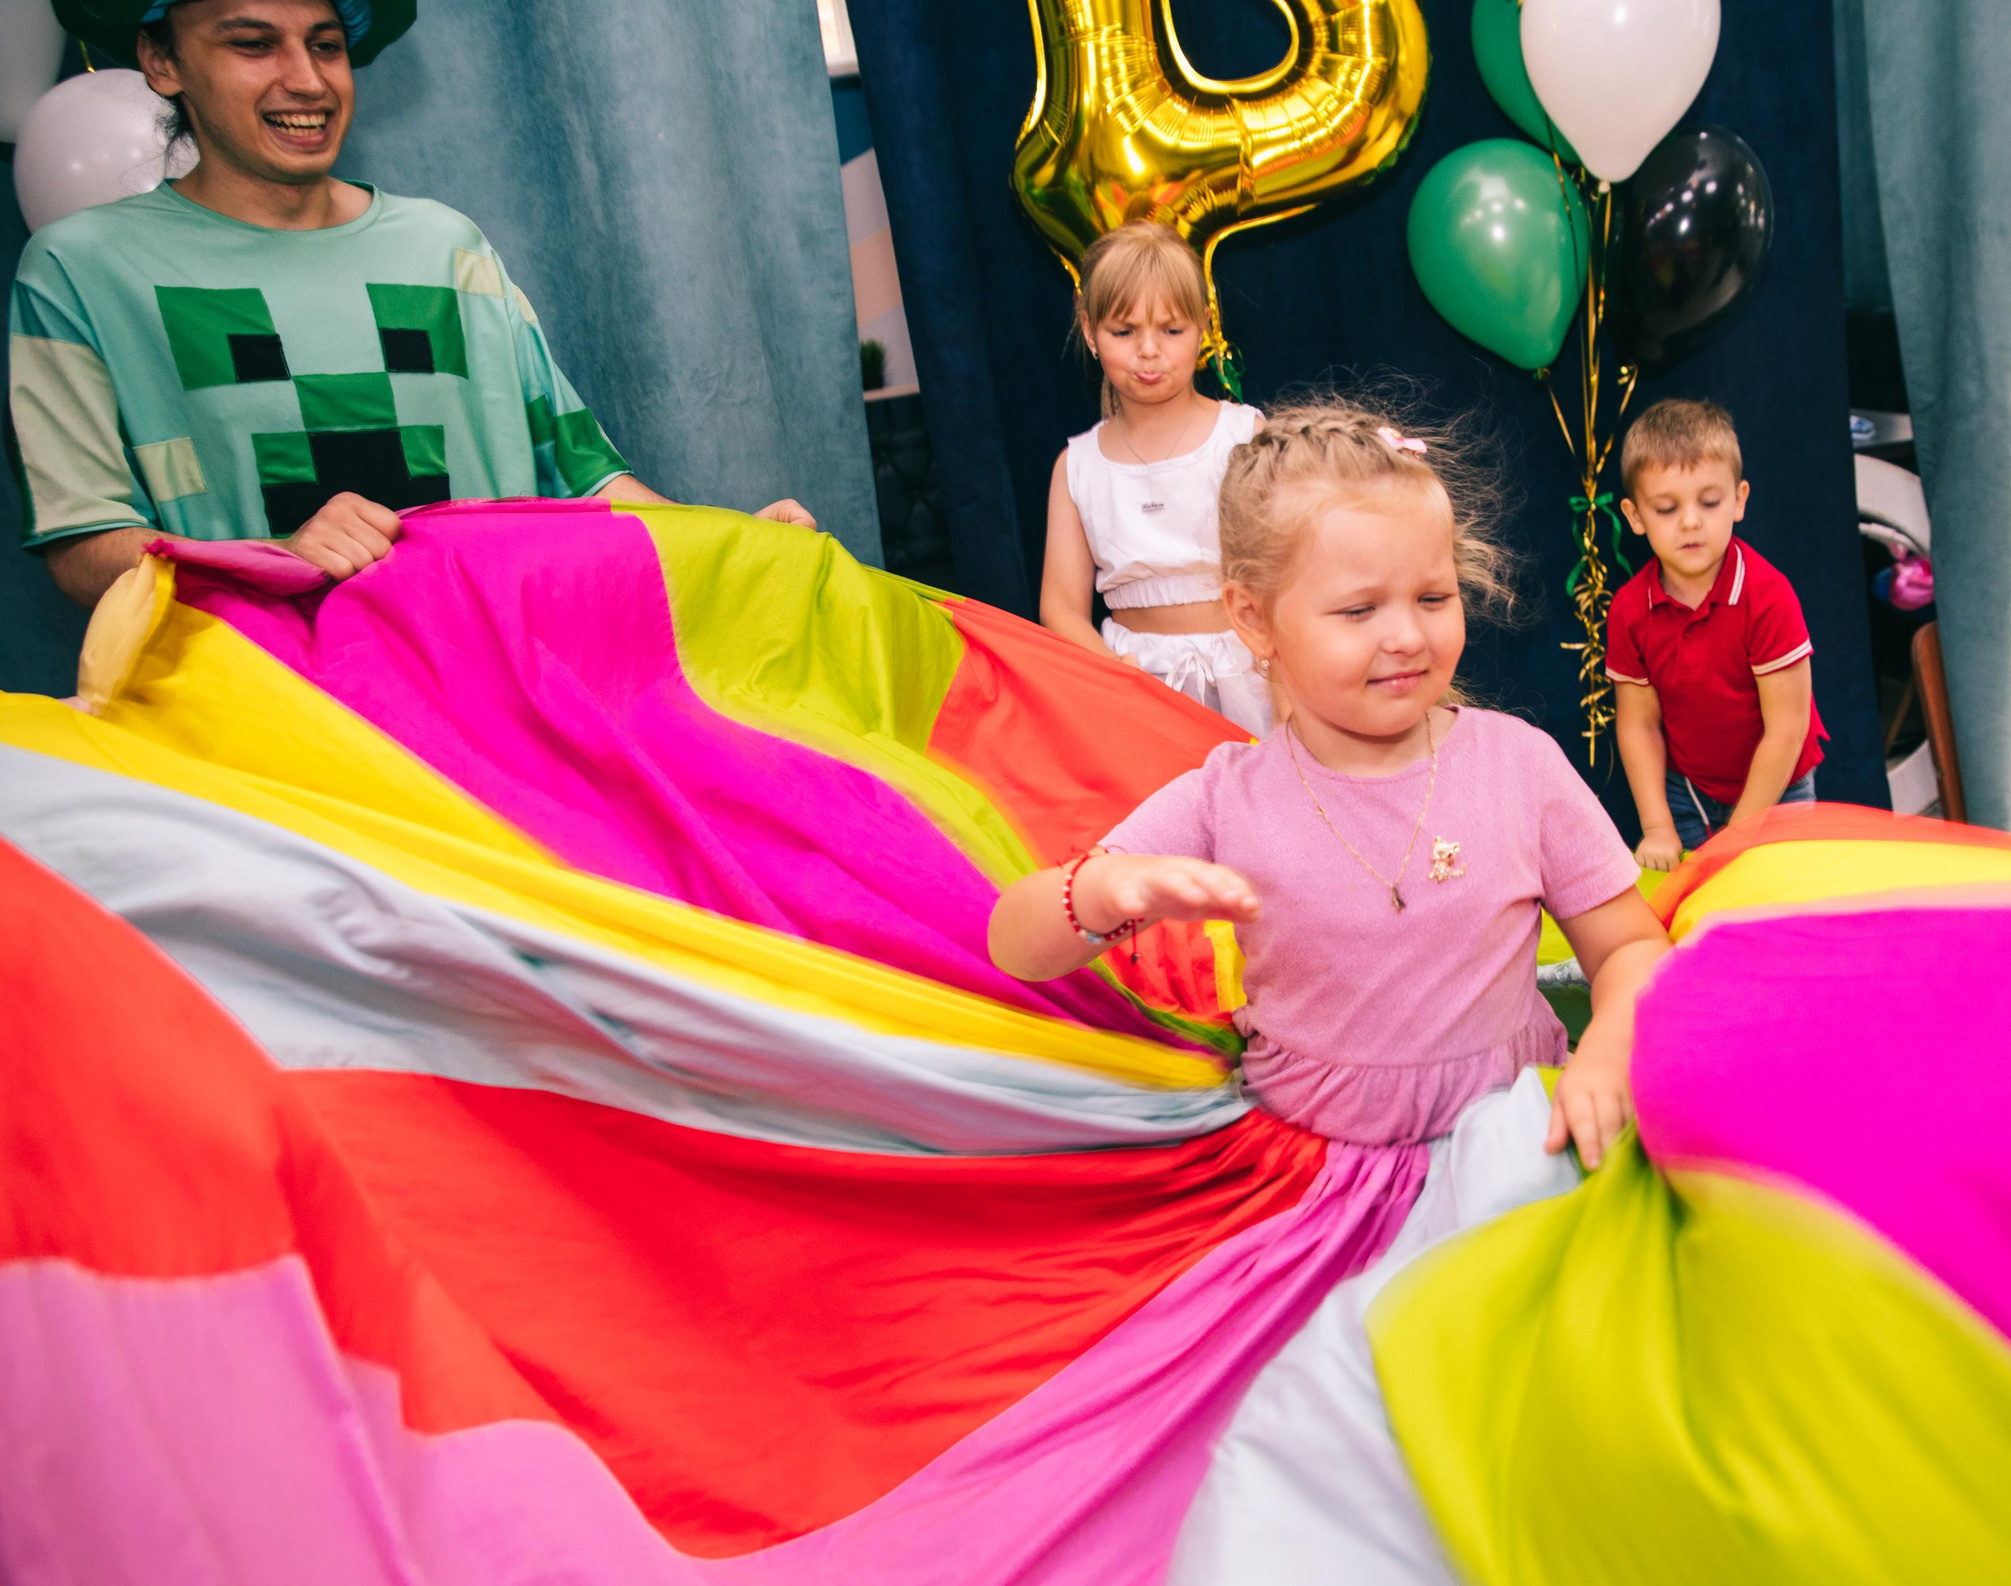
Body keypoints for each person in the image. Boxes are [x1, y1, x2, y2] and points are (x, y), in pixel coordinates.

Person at [992, 402, 1670, 1163]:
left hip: (1518, 1149)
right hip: (1308, 1170)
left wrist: (1609, 1051)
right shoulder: (1227, 798)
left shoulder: (1521, 766)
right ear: (1254, 620)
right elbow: (1013, 944)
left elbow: (1631, 949)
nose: (1408, 635)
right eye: (1358, 610)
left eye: (1433, 598)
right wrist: (1098, 893)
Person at [13, 0, 814, 608]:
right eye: (252, 43)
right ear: (161, 59)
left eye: (326, 44)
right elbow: (82, 543)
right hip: (262, 718)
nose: (307, 79)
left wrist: (737, 544)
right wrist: (273, 556)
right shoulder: (80, 269)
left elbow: (590, 482)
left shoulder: (447, 246)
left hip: (497, 688)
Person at [1039, 221, 1270, 734]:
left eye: (1171, 330)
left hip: (1251, 677)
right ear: (1089, 330)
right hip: (1135, 691)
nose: (1149, 351)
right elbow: (1060, 605)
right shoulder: (1076, 466)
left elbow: (1287, 569)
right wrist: (1113, 671)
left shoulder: (1243, 436)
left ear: (1205, 326)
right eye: (1124, 332)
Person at [1606, 398, 1826, 870]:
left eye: (1709, 502)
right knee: (1700, 916)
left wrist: (1741, 834)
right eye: (1666, 508)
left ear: (1739, 500)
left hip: (1780, 788)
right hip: (1689, 793)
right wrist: (1658, 827)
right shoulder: (1628, 609)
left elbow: (1787, 729)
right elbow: (1638, 725)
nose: (1690, 521)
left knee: (1775, 911)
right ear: (1635, 516)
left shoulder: (1769, 596)